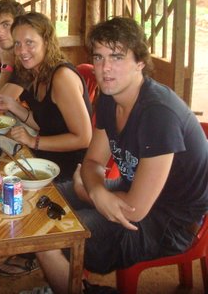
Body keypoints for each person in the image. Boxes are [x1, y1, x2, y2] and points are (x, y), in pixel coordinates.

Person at [33, 17, 208, 293]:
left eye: (117, 57)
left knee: (49, 240)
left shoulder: (158, 114)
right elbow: (92, 162)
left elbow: (136, 210)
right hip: (130, 191)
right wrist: (97, 191)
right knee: (42, 200)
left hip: (170, 222)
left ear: (140, 62)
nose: (104, 68)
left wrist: (90, 192)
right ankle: (68, 281)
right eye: (99, 57)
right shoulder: (109, 97)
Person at [0, 12, 92, 182]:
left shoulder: (62, 77)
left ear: (46, 41)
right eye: (17, 43)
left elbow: (84, 138)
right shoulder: (36, 73)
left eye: (29, 43)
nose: (22, 51)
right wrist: (13, 106)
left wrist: (33, 141)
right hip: (43, 161)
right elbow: (44, 122)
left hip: (70, 174)